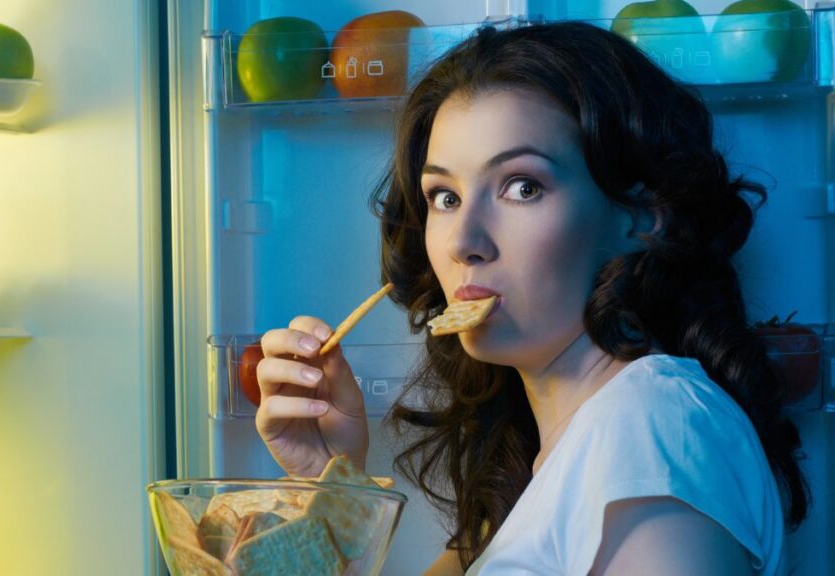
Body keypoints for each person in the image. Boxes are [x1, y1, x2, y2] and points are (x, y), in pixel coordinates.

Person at [253, 21, 809, 575]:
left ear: (641, 217)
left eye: (523, 187)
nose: (463, 242)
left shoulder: (652, 429)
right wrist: (331, 479)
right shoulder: (543, 466)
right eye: (444, 196)